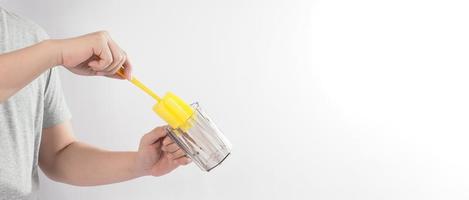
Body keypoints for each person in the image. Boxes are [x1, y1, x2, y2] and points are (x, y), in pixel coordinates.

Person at [0, 6, 191, 199]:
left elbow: (58, 155)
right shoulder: (47, 50)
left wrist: (140, 164)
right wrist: (56, 53)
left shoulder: (31, 37)